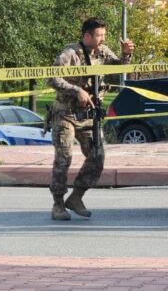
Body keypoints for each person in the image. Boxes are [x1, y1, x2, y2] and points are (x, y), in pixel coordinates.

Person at [46, 18, 134, 221]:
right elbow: (52, 77)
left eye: (104, 35)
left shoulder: (103, 52)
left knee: (97, 158)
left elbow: (119, 69)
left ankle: (76, 197)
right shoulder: (70, 54)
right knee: (63, 158)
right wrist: (76, 90)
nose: (103, 39)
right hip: (65, 114)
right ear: (87, 36)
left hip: (88, 116)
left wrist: (126, 54)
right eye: (99, 35)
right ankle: (58, 204)